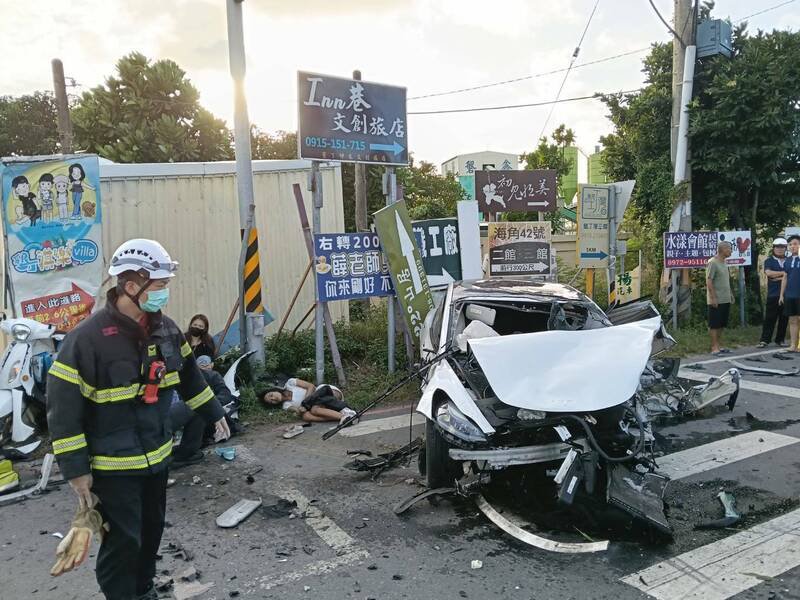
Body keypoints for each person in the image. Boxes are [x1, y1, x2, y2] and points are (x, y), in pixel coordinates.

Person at [46, 239, 230, 600]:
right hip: (113, 466)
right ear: (132, 286)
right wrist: (76, 470)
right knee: (123, 541)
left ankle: (143, 591)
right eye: (160, 286)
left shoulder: (167, 330)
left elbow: (191, 376)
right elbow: (63, 410)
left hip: (157, 456)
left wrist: (214, 414)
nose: (165, 294)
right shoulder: (87, 339)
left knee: (150, 533)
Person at [170, 356, 237, 468]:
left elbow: (225, 395)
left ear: (212, 365)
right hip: (159, 417)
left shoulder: (213, 376)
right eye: (202, 365)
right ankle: (185, 455)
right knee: (198, 406)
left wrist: (212, 405)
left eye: (207, 365)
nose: (205, 367)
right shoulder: (183, 376)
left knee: (199, 406)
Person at [260, 378, 355, 423]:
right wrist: (300, 410)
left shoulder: (290, 383)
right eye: (271, 401)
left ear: (274, 390)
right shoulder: (286, 405)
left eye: (271, 395)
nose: (273, 398)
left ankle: (344, 415)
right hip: (320, 407)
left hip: (327, 393)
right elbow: (298, 410)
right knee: (306, 416)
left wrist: (306, 402)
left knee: (313, 404)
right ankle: (344, 416)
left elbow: (311, 386)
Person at [759, 238, 789, 348]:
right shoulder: (769, 260)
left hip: (788, 294)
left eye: (782, 247)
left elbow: (793, 274)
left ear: (786, 248)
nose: (780, 249)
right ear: (773, 248)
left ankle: (780, 340)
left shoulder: (789, 260)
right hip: (773, 294)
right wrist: (784, 274)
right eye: (777, 247)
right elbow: (769, 273)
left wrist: (779, 277)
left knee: (784, 318)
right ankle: (765, 340)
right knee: (770, 318)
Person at [706, 241, 733, 355]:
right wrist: (713, 297)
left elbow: (726, 281)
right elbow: (709, 280)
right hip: (716, 299)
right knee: (714, 324)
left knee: (722, 324)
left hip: (725, 298)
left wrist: (730, 294)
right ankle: (713, 347)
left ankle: (718, 344)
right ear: (723, 250)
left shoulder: (724, 263)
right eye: (729, 249)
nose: (731, 251)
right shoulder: (713, 262)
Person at [779, 235, 800, 353]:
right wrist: (782, 294)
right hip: (790, 295)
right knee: (792, 320)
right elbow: (785, 277)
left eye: (796, 243)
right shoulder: (787, 260)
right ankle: (793, 344)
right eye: (791, 244)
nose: (793, 246)